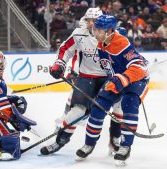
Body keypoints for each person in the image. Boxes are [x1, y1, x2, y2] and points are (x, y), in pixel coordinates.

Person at [75, 15, 149, 166]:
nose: (95, 33)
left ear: (109, 31)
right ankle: (89, 144)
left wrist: (122, 79)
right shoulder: (101, 43)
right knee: (98, 107)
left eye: (99, 30)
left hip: (136, 80)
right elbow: (108, 67)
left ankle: (125, 147)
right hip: (117, 79)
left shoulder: (121, 43)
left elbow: (139, 68)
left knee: (129, 104)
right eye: (95, 29)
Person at [40, 8, 109, 155]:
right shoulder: (79, 34)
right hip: (86, 77)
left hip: (107, 77)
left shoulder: (111, 35)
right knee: (76, 111)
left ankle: (116, 142)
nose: (92, 23)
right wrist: (60, 64)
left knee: (117, 107)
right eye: (89, 20)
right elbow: (65, 49)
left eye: (95, 20)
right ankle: (59, 141)